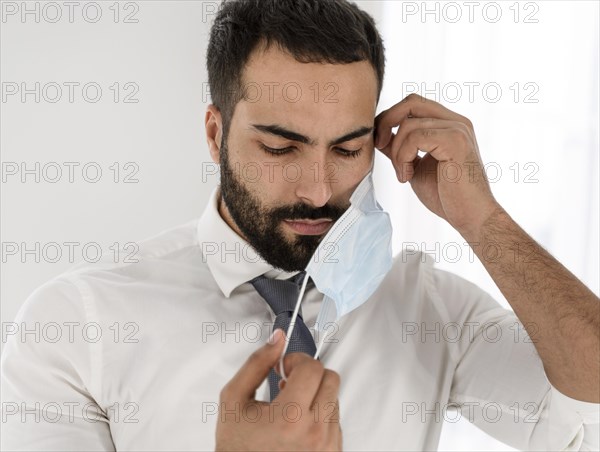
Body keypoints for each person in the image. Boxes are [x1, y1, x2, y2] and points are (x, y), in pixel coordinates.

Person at [2, 0, 598, 451]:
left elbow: (588, 408)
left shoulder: (428, 308)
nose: (318, 189)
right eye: (281, 149)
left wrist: (482, 218)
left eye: (346, 150)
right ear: (215, 134)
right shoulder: (75, 325)